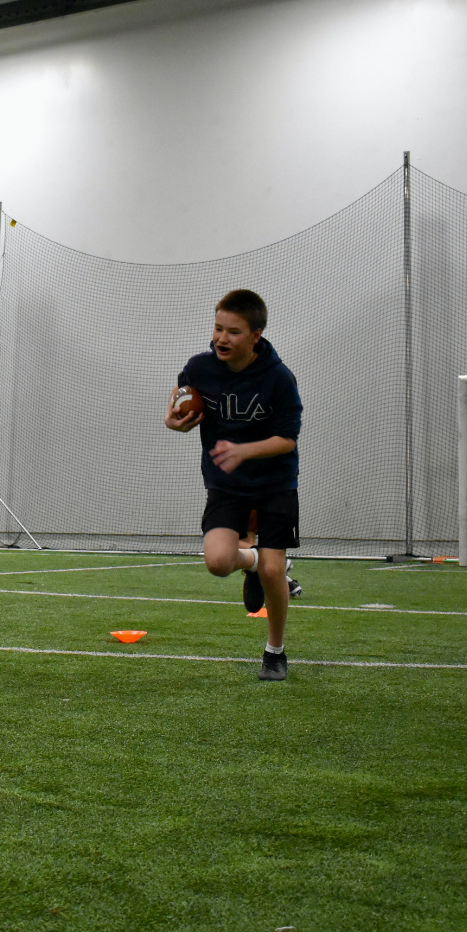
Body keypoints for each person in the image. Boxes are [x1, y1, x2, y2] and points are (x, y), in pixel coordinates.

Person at [165, 289, 301, 680]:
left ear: (256, 335)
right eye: (218, 328)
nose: (222, 338)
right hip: (225, 483)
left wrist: (244, 450)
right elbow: (181, 400)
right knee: (218, 562)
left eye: (234, 332)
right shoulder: (200, 368)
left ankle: (275, 651)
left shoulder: (278, 378)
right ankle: (251, 562)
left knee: (274, 572)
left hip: (275, 483)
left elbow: (287, 439)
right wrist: (172, 420)